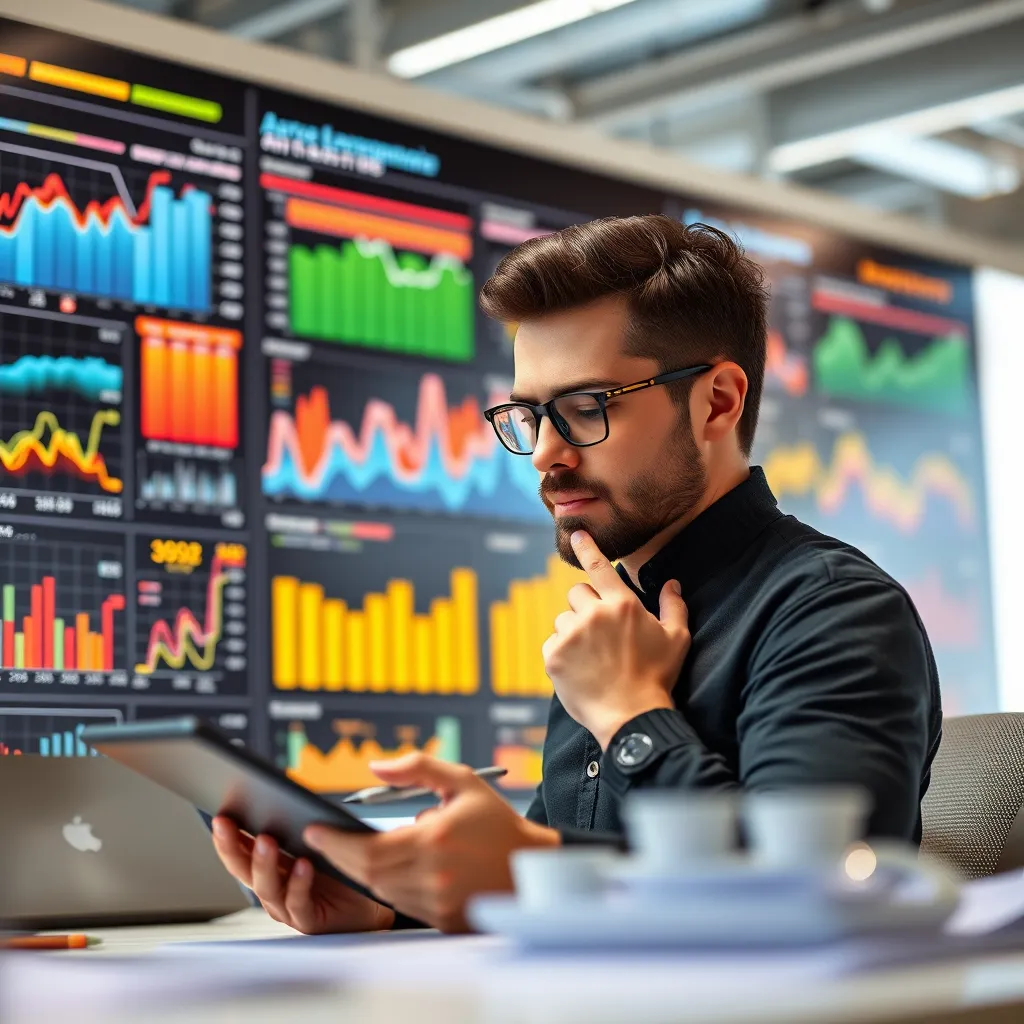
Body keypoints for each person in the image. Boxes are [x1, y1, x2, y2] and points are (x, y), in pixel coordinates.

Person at [212, 216, 941, 934]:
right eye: (530, 415)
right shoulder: (613, 620)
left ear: (717, 400)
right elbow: (581, 866)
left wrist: (630, 714)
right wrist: (395, 903)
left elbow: (812, 896)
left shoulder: (833, 609)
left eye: (586, 408)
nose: (544, 454)